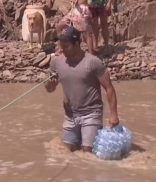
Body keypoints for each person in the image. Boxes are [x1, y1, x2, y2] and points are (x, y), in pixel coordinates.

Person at [45, 25, 120, 153]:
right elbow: (49, 88)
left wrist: (113, 114)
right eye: (61, 44)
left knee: (88, 153)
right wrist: (50, 85)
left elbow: (109, 88)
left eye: (66, 45)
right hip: (70, 114)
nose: (62, 48)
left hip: (91, 113)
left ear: (77, 44)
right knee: (66, 151)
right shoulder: (56, 62)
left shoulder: (93, 62)